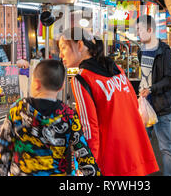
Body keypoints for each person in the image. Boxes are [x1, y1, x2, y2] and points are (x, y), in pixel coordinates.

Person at [58, 27, 159, 176]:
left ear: (79, 45)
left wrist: (87, 167)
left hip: (111, 160)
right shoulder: (116, 69)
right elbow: (133, 106)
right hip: (134, 151)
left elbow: (88, 128)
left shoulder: (82, 79)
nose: (60, 55)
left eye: (64, 48)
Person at [0, 59, 101, 176]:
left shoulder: (18, 109)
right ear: (61, 86)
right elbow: (84, 154)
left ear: (36, 83)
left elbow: (2, 149)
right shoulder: (68, 115)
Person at [136, 15, 171, 176]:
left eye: (140, 29)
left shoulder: (164, 51)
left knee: (165, 147)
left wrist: (152, 89)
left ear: (150, 30)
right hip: (144, 105)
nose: (137, 32)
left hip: (162, 105)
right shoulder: (141, 51)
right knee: (142, 145)